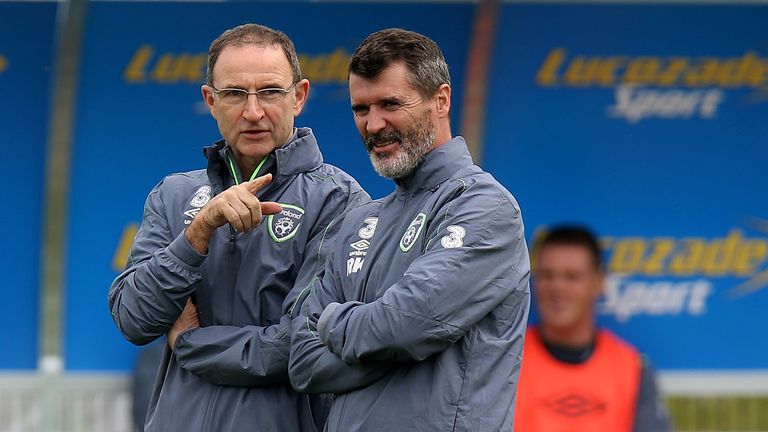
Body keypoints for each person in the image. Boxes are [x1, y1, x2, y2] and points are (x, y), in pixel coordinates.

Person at [108, 23, 368, 432]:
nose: (253, 112)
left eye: (269, 92)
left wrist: (191, 345)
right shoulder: (174, 194)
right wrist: (197, 233)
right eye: (233, 94)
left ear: (298, 96)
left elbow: (306, 341)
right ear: (211, 101)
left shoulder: (340, 200)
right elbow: (133, 319)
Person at [288, 28, 531, 431]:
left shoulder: (485, 207)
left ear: (441, 100)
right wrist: (394, 350)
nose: (373, 124)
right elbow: (302, 360)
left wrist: (333, 323)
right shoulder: (358, 219)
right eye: (360, 109)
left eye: (390, 104)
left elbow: (404, 325)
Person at [515, 225, 671, 432]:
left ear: (598, 282)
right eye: (547, 275)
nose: (557, 287)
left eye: (572, 276)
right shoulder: (508, 359)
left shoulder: (633, 367)